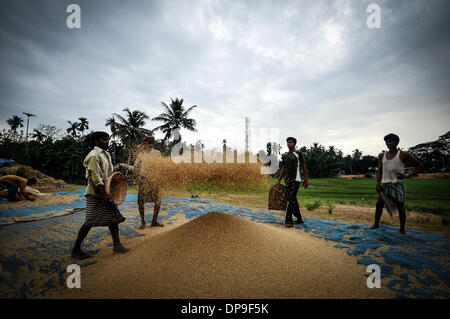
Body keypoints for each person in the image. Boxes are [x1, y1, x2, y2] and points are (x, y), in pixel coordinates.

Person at [71, 131, 129, 260]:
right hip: (96, 194)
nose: (107, 141)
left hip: (105, 192)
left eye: (107, 139)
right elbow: (95, 178)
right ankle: (76, 249)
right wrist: (104, 195)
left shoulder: (106, 155)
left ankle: (117, 245)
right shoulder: (93, 155)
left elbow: (108, 173)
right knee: (89, 221)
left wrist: (119, 176)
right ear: (96, 141)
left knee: (113, 219)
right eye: (104, 139)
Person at [368, 133, 423, 234]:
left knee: (400, 206)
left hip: (397, 184)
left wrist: (408, 175)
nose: (388, 143)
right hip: (385, 184)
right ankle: (376, 224)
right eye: (387, 141)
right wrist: (378, 184)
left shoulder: (403, 154)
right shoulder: (381, 155)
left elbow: (419, 165)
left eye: (391, 141)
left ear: (397, 142)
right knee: (379, 204)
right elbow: (379, 171)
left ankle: (402, 229)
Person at [120, 135, 164, 229]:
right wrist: (124, 165)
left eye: (150, 143)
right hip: (143, 180)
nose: (148, 144)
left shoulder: (157, 153)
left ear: (153, 144)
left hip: (154, 180)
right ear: (144, 143)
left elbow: (161, 167)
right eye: (147, 142)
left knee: (158, 201)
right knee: (141, 202)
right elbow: (135, 169)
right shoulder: (140, 155)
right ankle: (143, 222)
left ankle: (154, 221)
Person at [276, 137, 309, 227]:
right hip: (287, 180)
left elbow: (304, 166)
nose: (289, 144)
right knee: (293, 200)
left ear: (294, 144)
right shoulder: (285, 155)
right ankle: (299, 218)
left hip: (296, 179)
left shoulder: (298, 154)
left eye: (291, 142)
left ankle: (288, 220)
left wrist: (306, 179)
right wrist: (279, 179)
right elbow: (283, 168)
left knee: (290, 199)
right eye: (288, 142)